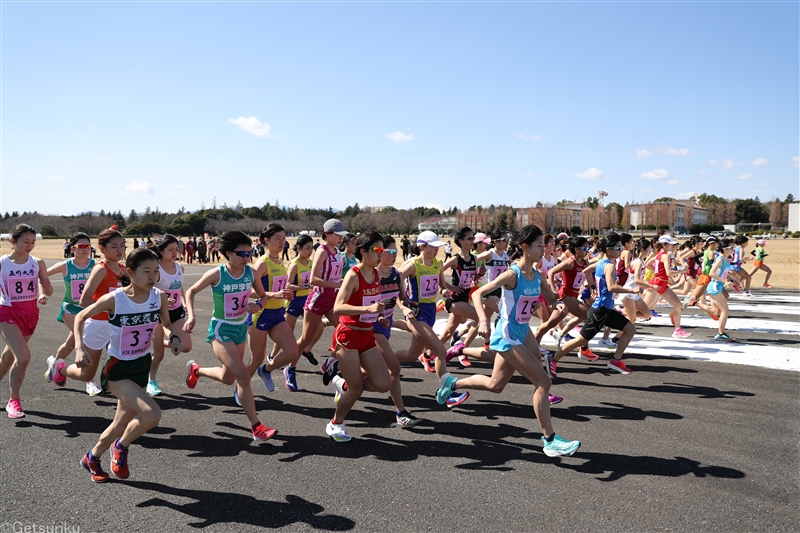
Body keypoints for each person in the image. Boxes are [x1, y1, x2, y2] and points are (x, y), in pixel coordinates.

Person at [445, 225, 580, 457]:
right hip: (507, 333)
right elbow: (478, 294)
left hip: (522, 331)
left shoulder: (537, 276)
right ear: (525, 247)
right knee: (543, 382)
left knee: (495, 386)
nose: (543, 250)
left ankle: (452, 383)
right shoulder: (512, 274)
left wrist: (559, 305)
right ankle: (550, 440)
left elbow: (551, 299)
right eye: (539, 246)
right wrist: (483, 321)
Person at [73, 247, 182, 482]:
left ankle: (91, 457)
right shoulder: (115, 299)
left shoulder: (158, 297)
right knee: (152, 414)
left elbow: (166, 323)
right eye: (147, 271)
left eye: (156, 271)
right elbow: (81, 316)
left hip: (141, 365)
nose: (153, 277)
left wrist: (173, 336)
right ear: (130, 273)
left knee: (120, 422)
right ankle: (120, 447)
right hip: (118, 369)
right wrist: (80, 348)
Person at [183, 231, 277, 441]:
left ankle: (196, 370)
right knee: (243, 376)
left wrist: (259, 304)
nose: (246, 257)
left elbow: (263, 295)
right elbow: (191, 292)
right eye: (240, 253)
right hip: (221, 330)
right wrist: (191, 316)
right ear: (228, 253)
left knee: (228, 378)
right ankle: (256, 426)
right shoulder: (217, 273)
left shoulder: (251, 273)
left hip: (240, 328)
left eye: (249, 252)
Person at [323, 231, 393, 442]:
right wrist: (368, 309)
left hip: (367, 335)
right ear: (363, 251)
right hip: (348, 336)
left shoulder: (377, 274)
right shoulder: (354, 274)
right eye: (377, 250)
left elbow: (373, 304)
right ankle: (335, 423)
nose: (381, 254)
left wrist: (379, 316)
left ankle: (341, 383)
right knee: (357, 389)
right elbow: (338, 307)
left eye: (384, 250)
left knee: (384, 383)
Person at [548, 232, 648, 377]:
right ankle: (554, 358)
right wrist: (631, 289)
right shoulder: (609, 266)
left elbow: (586, 271)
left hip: (605, 309)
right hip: (600, 310)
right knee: (581, 340)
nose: (621, 251)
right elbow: (611, 287)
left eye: (621, 248)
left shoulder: (601, 262)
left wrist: (593, 286)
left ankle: (616, 360)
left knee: (630, 329)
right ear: (608, 249)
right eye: (618, 248)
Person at [264, 219, 348, 391]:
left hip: (332, 299)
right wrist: (337, 283)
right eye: (337, 235)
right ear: (327, 234)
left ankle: (330, 362)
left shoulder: (338, 251)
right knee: (304, 340)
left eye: (342, 235)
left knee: (345, 330)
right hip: (317, 299)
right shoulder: (322, 251)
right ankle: (287, 368)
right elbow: (314, 279)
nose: (340, 238)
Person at [49, 228, 126, 396]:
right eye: (114, 246)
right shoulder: (101, 269)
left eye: (122, 245)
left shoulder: (122, 269)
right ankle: (60, 369)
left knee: (126, 358)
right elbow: (85, 300)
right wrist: (109, 307)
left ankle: (122, 391)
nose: (120, 250)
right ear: (102, 249)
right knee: (87, 374)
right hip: (97, 324)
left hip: (115, 323)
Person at [0, 224, 52, 418]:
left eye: (33, 242)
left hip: (30, 313)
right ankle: (14, 400)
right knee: (23, 357)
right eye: (25, 242)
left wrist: (44, 290)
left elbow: (48, 290)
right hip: (8, 313)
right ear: (13, 241)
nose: (30, 246)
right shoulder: (3, 263)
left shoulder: (37, 263)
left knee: (8, 358)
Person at [243, 224, 298, 400]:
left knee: (292, 352)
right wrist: (275, 294)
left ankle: (266, 370)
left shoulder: (279, 261)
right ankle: (241, 390)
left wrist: (285, 294)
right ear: (266, 240)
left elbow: (277, 287)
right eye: (278, 238)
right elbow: (248, 290)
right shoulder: (262, 264)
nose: (282, 242)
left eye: (284, 238)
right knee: (256, 359)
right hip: (260, 316)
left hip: (277, 314)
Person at [45, 233, 95, 381]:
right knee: (85, 339)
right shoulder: (65, 265)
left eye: (88, 246)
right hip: (70, 309)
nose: (85, 249)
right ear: (72, 248)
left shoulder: (95, 265)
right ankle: (90, 380)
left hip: (89, 309)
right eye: (81, 246)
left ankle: (53, 364)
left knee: (70, 344)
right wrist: (42, 292)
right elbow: (43, 274)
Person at [147, 234, 193, 396]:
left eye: (176, 249)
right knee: (158, 355)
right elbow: (147, 291)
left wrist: (184, 301)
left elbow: (179, 287)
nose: (175, 252)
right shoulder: (156, 270)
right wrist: (163, 299)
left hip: (176, 311)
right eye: (170, 250)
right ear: (160, 251)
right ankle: (151, 380)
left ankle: (160, 343)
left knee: (186, 346)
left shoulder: (180, 268)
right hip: (158, 313)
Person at [649, 235, 691, 338]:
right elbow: (668, 273)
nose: (672, 246)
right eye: (670, 244)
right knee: (643, 311)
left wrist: (657, 273)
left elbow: (648, 264)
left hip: (661, 283)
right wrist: (681, 271)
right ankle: (623, 314)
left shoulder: (660, 254)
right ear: (664, 245)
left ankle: (678, 329)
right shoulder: (666, 255)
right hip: (658, 284)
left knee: (677, 305)